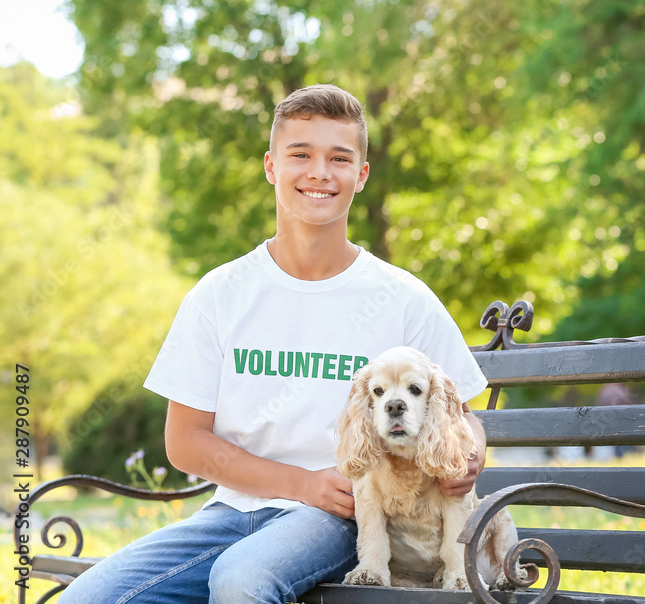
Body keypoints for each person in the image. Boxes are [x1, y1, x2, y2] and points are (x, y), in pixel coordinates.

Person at [60, 84, 489, 603]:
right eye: (301, 154)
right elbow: (185, 442)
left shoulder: (403, 298)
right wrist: (298, 482)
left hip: (344, 514)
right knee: (88, 598)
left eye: (339, 157)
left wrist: (470, 457)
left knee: (242, 581)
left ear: (362, 175)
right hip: (230, 513)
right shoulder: (219, 293)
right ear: (270, 166)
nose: (319, 172)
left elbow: (463, 417)